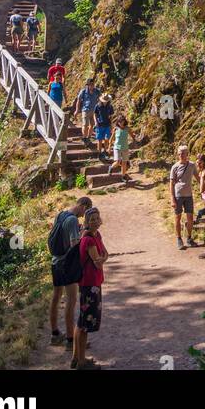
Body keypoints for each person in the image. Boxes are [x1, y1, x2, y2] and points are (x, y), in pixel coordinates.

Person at [48, 195, 92, 350]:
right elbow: (74, 244)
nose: (83, 216)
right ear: (84, 206)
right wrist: (84, 233)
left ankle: (54, 334)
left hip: (55, 261)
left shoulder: (61, 214)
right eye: (84, 213)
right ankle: (70, 340)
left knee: (56, 297)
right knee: (71, 300)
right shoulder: (73, 220)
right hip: (67, 264)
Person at [73, 207, 107, 371]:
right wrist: (102, 259)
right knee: (85, 323)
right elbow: (99, 260)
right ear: (86, 222)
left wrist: (102, 258)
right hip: (89, 284)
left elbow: (104, 255)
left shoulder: (96, 235)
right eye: (91, 219)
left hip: (93, 282)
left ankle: (76, 358)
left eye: (96, 218)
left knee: (82, 321)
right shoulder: (89, 240)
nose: (94, 221)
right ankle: (81, 362)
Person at [169, 145, 198, 249]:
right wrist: (172, 198)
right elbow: (171, 183)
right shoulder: (175, 167)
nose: (181, 155)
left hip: (189, 195)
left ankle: (189, 238)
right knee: (177, 217)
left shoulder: (192, 165)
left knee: (190, 217)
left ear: (187, 154)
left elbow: (198, 177)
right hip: (178, 196)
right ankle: (179, 239)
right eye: (179, 154)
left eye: (183, 153)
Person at [93, 92, 114, 157]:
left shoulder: (110, 106)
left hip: (107, 124)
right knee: (99, 139)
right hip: (100, 125)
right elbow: (95, 114)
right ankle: (99, 152)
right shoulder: (98, 106)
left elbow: (111, 116)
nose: (105, 102)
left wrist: (111, 124)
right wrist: (96, 122)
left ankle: (105, 150)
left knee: (107, 138)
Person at [110, 115, 131, 179]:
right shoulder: (116, 129)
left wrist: (135, 140)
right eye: (120, 122)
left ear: (124, 121)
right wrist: (109, 147)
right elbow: (111, 139)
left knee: (124, 163)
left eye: (122, 121)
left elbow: (132, 135)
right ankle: (111, 167)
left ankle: (123, 176)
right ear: (118, 122)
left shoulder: (127, 128)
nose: (121, 123)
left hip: (125, 148)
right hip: (117, 147)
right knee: (118, 162)